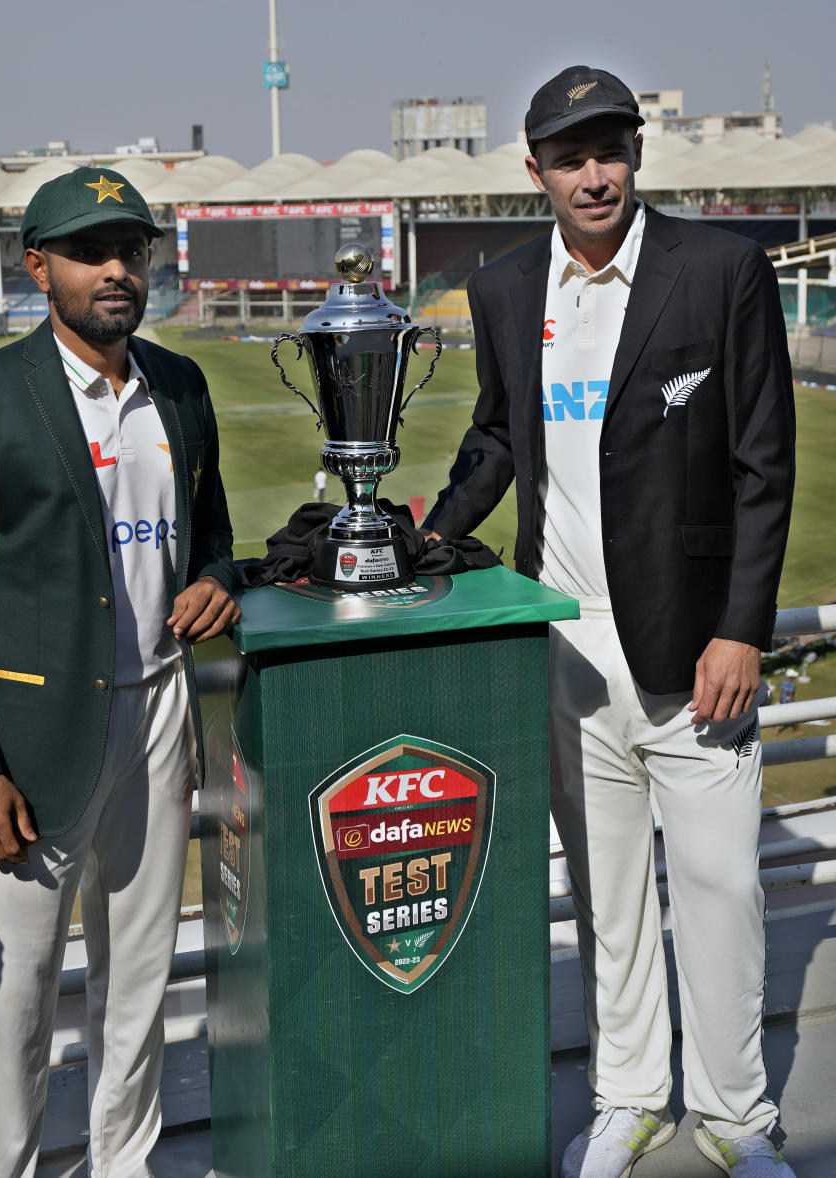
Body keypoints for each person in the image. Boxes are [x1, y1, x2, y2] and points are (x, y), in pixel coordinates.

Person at [425, 67, 797, 1178]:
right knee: (609, 900)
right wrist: (426, 534)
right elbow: (498, 436)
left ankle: (737, 1116)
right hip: (567, 644)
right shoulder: (501, 289)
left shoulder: (721, 270)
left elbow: (763, 466)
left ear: (638, 154)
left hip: (697, 647)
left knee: (725, 888)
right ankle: (629, 1095)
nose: (595, 175)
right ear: (532, 169)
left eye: (612, 150)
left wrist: (742, 627)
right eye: (571, 156)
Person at [0, 167, 239, 1178]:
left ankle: (124, 1163)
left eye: (130, 250)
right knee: (13, 999)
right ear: (36, 264)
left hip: (158, 720)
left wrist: (220, 578)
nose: (115, 269)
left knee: (138, 980)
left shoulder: (178, 386)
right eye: (92, 251)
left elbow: (213, 530)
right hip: (34, 748)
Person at [774, 667, 801, 734]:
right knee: (794, 717)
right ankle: (796, 731)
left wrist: (780, 700)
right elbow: (790, 695)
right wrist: (791, 704)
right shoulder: (792, 685)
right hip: (789, 702)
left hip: (783, 701)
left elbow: (781, 692)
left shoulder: (784, 682)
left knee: (782, 716)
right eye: (793, 676)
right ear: (790, 677)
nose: (795, 677)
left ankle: (777, 730)